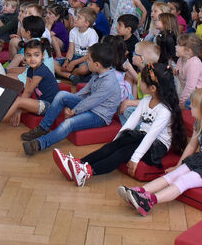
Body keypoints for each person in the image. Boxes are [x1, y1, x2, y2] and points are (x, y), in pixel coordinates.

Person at [57, 63, 187, 188]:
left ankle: (86, 172)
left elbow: (152, 135)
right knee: (111, 147)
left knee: (123, 152)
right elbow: (131, 122)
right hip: (142, 136)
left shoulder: (165, 110)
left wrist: (135, 159)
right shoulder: (146, 100)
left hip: (156, 146)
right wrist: (116, 142)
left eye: (142, 81)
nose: (139, 82)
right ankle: (78, 164)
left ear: (153, 88)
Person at [118, 88, 202, 216]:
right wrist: (178, 166)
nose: (190, 106)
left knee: (183, 180)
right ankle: (139, 192)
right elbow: (192, 146)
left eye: (194, 105)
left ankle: (149, 201)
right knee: (173, 175)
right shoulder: (200, 123)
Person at [21, 42, 124, 155]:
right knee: (61, 95)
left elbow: (91, 101)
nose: (86, 62)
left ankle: (39, 144)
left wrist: (74, 111)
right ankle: (43, 128)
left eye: (89, 60)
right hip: (90, 106)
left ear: (97, 65)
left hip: (99, 115)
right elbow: (84, 92)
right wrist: (71, 103)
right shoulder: (97, 73)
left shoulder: (108, 82)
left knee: (69, 123)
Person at [3, 39, 60, 126]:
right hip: (40, 102)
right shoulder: (30, 70)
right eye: (29, 55)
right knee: (15, 102)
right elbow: (26, 90)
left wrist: (19, 106)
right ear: (24, 56)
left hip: (49, 106)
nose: (32, 59)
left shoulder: (41, 70)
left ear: (42, 55)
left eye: (36, 55)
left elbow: (29, 91)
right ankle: (0, 118)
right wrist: (19, 109)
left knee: (18, 101)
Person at [176, 34, 202, 107]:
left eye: (179, 45)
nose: (176, 47)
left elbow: (190, 87)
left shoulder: (194, 64)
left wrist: (181, 102)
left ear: (188, 51)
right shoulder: (180, 60)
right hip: (194, 94)